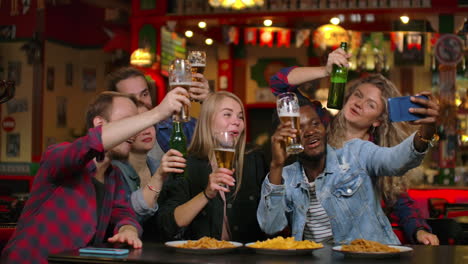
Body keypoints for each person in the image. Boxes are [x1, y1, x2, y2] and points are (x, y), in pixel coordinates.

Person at [269, 49, 439, 245]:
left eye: (370, 105)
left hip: (363, 249)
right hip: (315, 250)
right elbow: (278, 82)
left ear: (378, 120)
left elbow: (401, 200)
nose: (359, 103)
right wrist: (325, 70)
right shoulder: (320, 126)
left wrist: (419, 230)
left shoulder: (373, 153)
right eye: (358, 95)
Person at [1, 88, 190, 264]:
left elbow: (125, 215)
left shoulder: (113, 175)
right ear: (99, 124)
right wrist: (157, 113)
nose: (135, 130)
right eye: (128, 122)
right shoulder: (57, 154)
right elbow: (91, 143)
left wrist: (128, 230)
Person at [157, 91, 268, 243]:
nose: (237, 121)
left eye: (240, 116)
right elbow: (167, 225)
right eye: (227, 114)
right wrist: (206, 194)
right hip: (200, 257)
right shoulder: (185, 164)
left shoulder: (255, 158)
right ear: (207, 120)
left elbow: (271, 222)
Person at [112, 102, 186, 239]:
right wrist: (158, 177)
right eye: (140, 125)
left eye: (150, 123)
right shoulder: (115, 170)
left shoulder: (159, 165)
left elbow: (170, 223)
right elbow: (127, 216)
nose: (147, 131)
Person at [107, 67, 211, 161]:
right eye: (131, 98)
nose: (141, 102)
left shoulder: (176, 126)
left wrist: (209, 102)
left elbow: (215, 139)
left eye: (144, 94)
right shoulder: (113, 140)